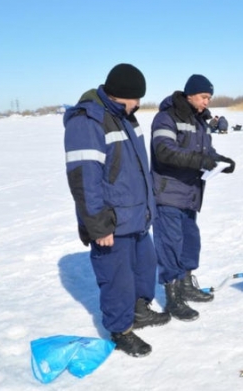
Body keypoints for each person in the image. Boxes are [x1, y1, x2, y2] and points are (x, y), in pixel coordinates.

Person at [63, 63, 171, 358]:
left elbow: (133, 168)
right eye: (136, 98)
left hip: (135, 215)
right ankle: (120, 329)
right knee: (117, 277)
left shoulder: (124, 117)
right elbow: (84, 180)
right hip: (111, 220)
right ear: (123, 94)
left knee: (144, 267)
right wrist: (99, 226)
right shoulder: (88, 121)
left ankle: (139, 310)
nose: (138, 104)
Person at [150, 74, 236, 321]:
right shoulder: (166, 117)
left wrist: (221, 161)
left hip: (190, 193)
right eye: (203, 97)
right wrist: (202, 161)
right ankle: (173, 297)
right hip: (168, 193)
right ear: (189, 94)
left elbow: (205, 152)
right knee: (170, 245)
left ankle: (186, 284)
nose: (207, 102)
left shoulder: (200, 122)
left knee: (189, 242)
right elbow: (164, 151)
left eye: (209, 97)